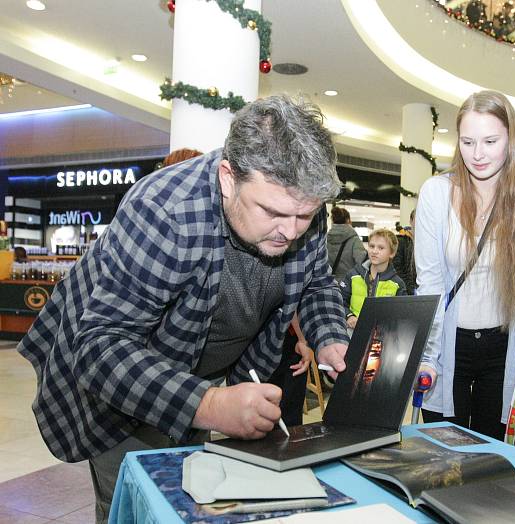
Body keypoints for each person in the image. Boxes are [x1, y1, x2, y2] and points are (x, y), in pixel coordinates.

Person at [16, 95, 350, 523]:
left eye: (304, 216)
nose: (290, 231)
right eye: (273, 212)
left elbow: (317, 281)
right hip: (125, 376)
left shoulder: (301, 204)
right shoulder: (164, 211)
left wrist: (330, 336)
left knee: (193, 499)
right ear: (228, 177)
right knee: (140, 505)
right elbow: (102, 349)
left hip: (201, 368)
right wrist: (210, 404)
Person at [415, 90, 515, 441]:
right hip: (449, 347)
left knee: (496, 458)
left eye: (490, 141)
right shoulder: (436, 192)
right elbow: (429, 283)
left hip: (505, 348)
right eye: (468, 141)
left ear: (511, 139)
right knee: (443, 454)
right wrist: (427, 355)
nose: (478, 154)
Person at [341, 228, 407, 330]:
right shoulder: (353, 275)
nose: (374, 251)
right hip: (352, 333)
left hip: (382, 338)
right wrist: (349, 316)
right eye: (371, 246)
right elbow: (340, 300)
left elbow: (401, 314)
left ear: (392, 253)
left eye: (381, 248)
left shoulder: (397, 284)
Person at [327, 206, 367, 283]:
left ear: (332, 221)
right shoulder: (354, 239)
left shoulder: (325, 239)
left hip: (330, 283)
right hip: (349, 283)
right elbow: (361, 262)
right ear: (348, 220)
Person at [393, 210, 417, 293]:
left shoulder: (428, 242)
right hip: (406, 291)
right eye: (417, 218)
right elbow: (397, 269)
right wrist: (411, 289)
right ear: (411, 221)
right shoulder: (401, 240)